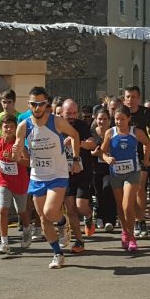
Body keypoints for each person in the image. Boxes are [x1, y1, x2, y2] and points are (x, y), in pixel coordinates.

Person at [14, 87, 81, 269]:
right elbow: (17, 153)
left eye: (41, 104)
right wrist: (16, 152)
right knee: (43, 218)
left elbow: (75, 135)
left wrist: (75, 159)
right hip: (37, 176)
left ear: (46, 104)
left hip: (58, 174)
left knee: (50, 212)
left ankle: (62, 222)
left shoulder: (56, 122)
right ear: (28, 105)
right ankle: (57, 254)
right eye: (34, 104)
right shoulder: (24, 126)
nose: (37, 108)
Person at [101, 105, 150, 252]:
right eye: (116, 119)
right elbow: (102, 152)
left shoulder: (136, 132)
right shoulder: (110, 133)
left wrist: (146, 160)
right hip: (116, 172)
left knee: (127, 205)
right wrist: (107, 158)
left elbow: (148, 144)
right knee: (120, 205)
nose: (119, 122)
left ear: (129, 119)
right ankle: (125, 232)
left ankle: (132, 237)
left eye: (122, 119)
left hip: (132, 172)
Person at [0, 114, 32, 254]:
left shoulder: (19, 144)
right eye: (6, 127)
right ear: (1, 128)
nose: (8, 129)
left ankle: (27, 229)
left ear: (16, 128)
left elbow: (29, 163)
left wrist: (16, 159)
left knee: (21, 211)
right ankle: (4, 243)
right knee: (2, 210)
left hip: (20, 182)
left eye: (11, 127)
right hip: (4, 180)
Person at [123, 85, 150, 239]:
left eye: (133, 97)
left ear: (139, 98)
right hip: (123, 155)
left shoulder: (145, 112)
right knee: (126, 191)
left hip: (142, 153)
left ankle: (140, 220)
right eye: (128, 97)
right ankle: (128, 220)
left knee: (140, 189)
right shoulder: (120, 112)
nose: (130, 100)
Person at [60, 99, 95, 253]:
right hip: (65, 174)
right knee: (71, 210)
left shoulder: (82, 126)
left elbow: (92, 143)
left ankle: (88, 215)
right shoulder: (56, 127)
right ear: (62, 113)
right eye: (69, 113)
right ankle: (79, 241)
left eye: (75, 113)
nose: (72, 116)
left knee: (81, 207)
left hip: (82, 172)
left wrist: (77, 142)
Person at [90, 108, 116, 232]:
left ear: (109, 120)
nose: (102, 121)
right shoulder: (91, 133)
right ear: (95, 119)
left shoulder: (112, 133)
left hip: (110, 168)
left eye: (105, 119)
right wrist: (92, 153)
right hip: (95, 168)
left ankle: (110, 219)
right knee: (98, 193)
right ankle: (99, 216)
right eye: (100, 119)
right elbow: (85, 149)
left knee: (107, 190)